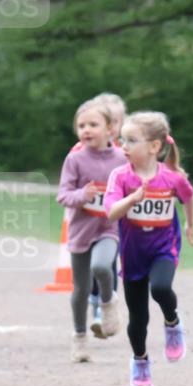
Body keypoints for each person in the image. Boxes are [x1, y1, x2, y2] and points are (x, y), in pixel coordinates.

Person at [106, 111, 193, 386]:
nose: (124, 146)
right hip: (133, 254)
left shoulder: (171, 178)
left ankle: (172, 322)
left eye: (132, 140)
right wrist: (132, 198)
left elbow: (188, 196)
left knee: (160, 288)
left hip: (163, 249)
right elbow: (111, 213)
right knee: (138, 319)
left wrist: (190, 224)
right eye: (122, 140)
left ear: (155, 146)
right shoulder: (120, 176)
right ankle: (140, 360)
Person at [57, 99, 127, 363]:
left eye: (93, 125)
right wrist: (81, 195)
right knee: (80, 290)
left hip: (109, 228)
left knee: (102, 267)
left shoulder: (121, 159)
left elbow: (131, 187)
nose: (86, 130)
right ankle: (79, 339)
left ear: (110, 129)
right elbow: (63, 195)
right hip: (80, 231)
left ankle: (108, 303)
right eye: (81, 125)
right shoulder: (74, 160)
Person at [86, 92, 127, 336]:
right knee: (89, 268)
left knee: (108, 263)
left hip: (113, 224)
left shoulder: (125, 153)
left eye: (116, 121)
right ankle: (95, 302)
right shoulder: (82, 150)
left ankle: (105, 309)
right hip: (86, 223)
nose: (111, 127)